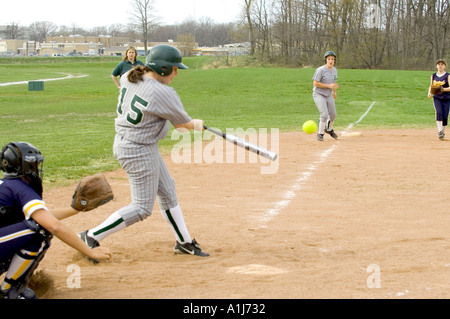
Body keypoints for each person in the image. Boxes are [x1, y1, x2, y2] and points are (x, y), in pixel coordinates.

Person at [79, 44, 209, 259]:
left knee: (167, 190)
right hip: (137, 149)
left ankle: (184, 242)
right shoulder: (163, 92)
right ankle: (91, 237)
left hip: (133, 143)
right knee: (141, 208)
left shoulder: (130, 75)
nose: (176, 73)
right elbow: (182, 125)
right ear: (164, 69)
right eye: (174, 68)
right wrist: (196, 123)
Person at [0, 142, 111, 299]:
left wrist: (75, 210)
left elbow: (41, 216)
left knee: (33, 226)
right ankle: (8, 292)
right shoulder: (20, 188)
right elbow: (52, 226)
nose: (37, 169)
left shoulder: (7, 186)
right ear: (24, 167)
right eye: (34, 164)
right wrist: (90, 251)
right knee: (40, 231)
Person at [312, 51, 340, 141]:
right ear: (326, 60)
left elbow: (333, 83)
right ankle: (320, 134)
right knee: (324, 114)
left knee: (333, 115)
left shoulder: (335, 70)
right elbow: (315, 83)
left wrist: (334, 92)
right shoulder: (320, 70)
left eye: (332, 59)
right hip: (319, 94)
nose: (331, 61)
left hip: (328, 95)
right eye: (329, 59)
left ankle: (329, 129)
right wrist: (329, 86)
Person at [428, 59, 450, 140]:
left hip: (447, 98)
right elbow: (431, 85)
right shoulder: (433, 75)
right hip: (437, 97)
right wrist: (429, 93)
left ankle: (442, 132)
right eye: (438, 64)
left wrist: (443, 89)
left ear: (445, 66)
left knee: (445, 115)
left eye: (442, 64)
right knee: (439, 112)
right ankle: (440, 131)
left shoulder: (448, 76)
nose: (440, 66)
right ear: (436, 66)